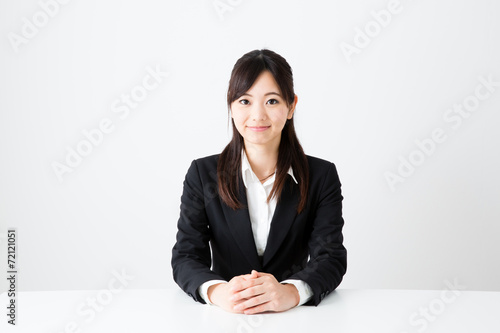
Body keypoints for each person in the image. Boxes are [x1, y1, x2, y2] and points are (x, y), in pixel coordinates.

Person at [171, 49, 347, 315]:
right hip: (225, 318)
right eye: (244, 101)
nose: (257, 115)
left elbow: (331, 257)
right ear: (230, 107)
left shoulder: (321, 176)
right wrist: (220, 292)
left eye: (272, 101)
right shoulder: (202, 173)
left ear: (291, 106)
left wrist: (290, 292)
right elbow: (186, 256)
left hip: (295, 319)